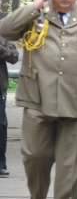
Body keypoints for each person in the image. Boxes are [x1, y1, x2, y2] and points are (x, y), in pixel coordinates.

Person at [0, 0, 77, 197]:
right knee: (35, 157)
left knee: (70, 170)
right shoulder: (35, 15)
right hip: (38, 100)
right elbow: (4, 30)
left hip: (76, 103)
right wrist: (32, 7)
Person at [0, 14, 19, 177]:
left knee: (1, 125)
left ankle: (1, 163)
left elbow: (14, 57)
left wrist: (1, 48)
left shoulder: (3, 31)